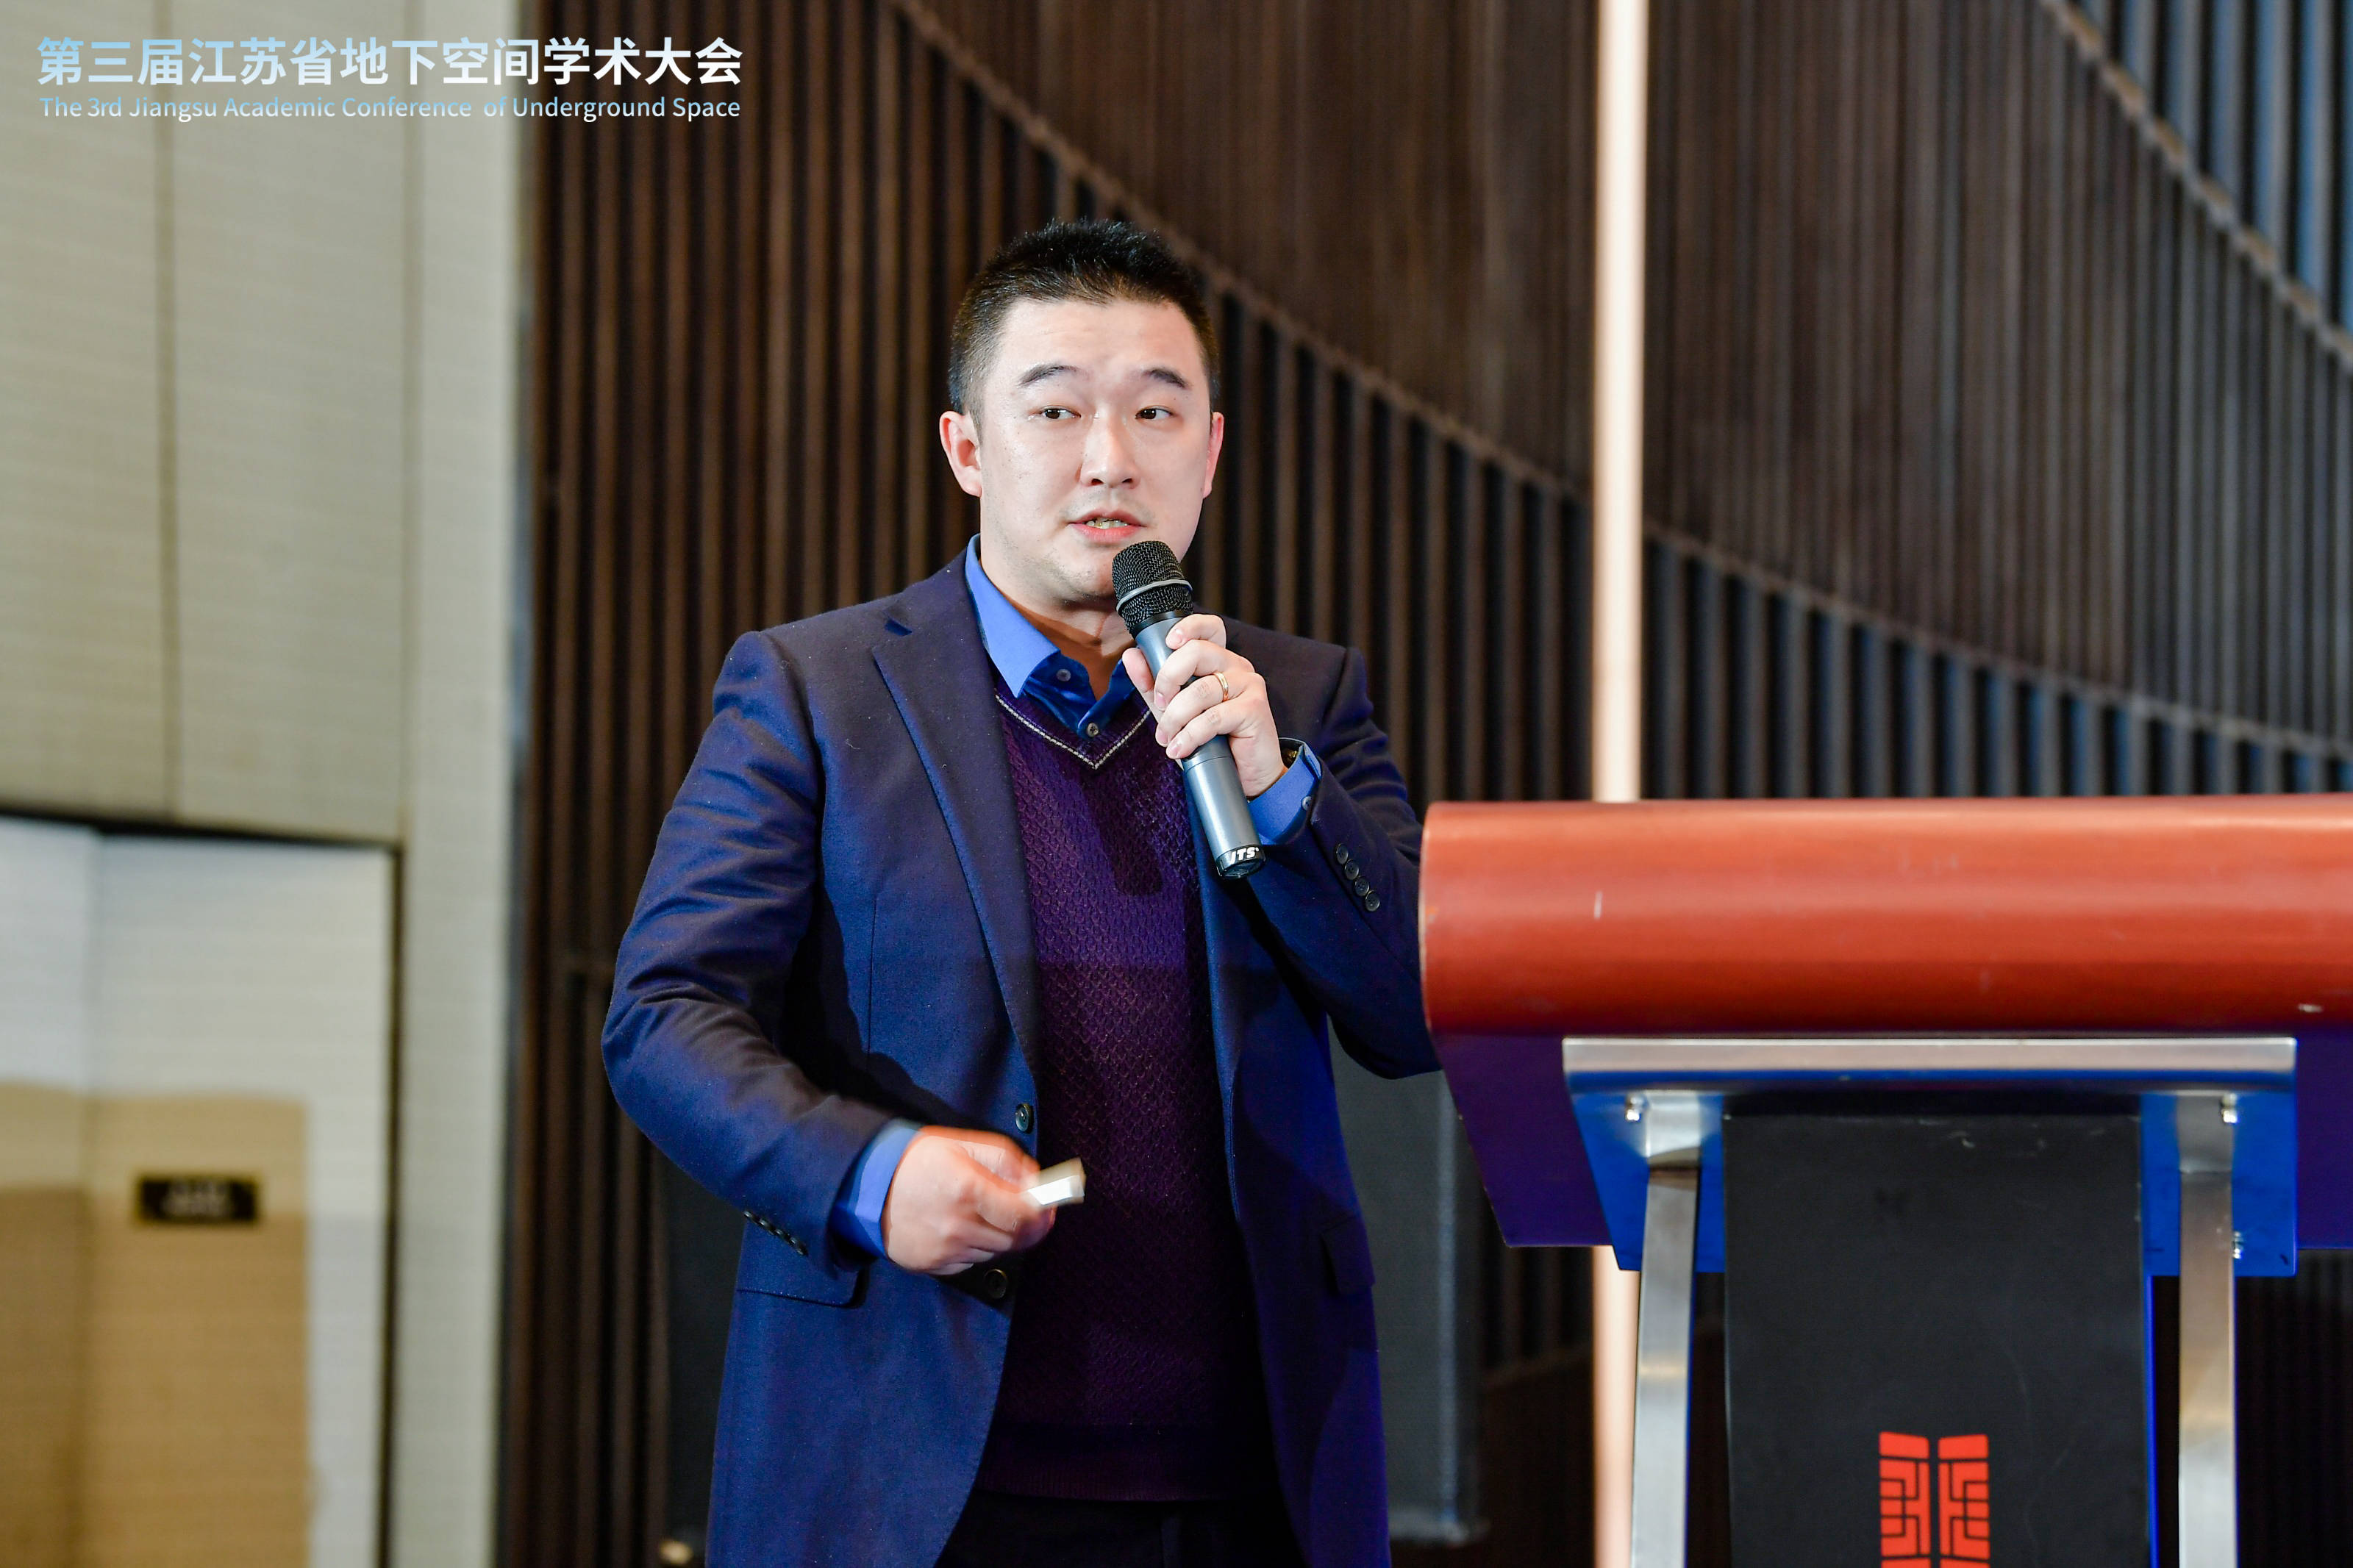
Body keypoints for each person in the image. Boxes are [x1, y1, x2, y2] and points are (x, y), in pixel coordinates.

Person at [603, 219, 1437, 1568]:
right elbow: (664, 1015)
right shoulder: (817, 692)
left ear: (1211, 451)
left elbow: (1414, 1012)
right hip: (914, 1473)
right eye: (1055, 410)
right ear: (968, 449)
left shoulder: (1298, 699)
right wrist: (869, 1174)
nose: (1110, 458)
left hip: (1250, 1484)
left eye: (1156, 411)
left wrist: (1282, 792)